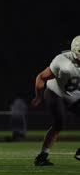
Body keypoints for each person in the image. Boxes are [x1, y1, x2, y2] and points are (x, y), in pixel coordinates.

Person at [31, 35, 80, 166]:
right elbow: (41, 77)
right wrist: (39, 96)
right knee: (59, 123)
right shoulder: (62, 62)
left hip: (74, 95)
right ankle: (42, 156)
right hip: (56, 92)